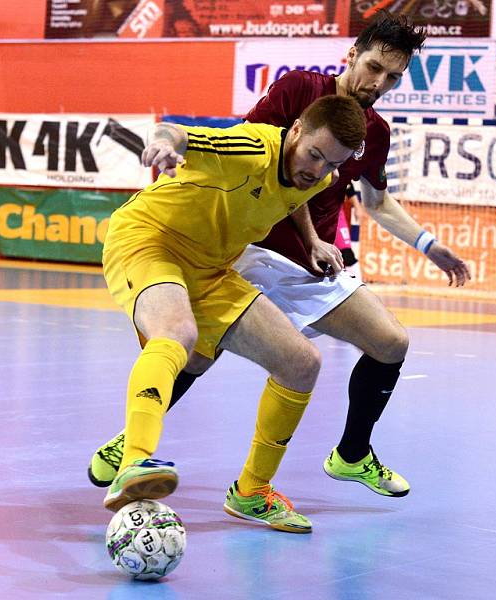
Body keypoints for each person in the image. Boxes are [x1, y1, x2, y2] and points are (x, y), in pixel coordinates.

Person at [89, 10, 470, 500]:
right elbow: (265, 165)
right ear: (353, 55)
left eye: (393, 78)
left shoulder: (373, 133)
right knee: (192, 352)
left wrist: (426, 245)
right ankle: (133, 447)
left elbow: (369, 198)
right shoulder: (298, 92)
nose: (379, 83)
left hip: (307, 265)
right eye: (374, 67)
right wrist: (167, 141)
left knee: (387, 343)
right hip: (244, 249)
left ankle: (344, 458)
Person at [97, 94, 367, 535]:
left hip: (212, 267)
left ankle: (252, 493)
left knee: (302, 363)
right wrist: (164, 143)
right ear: (296, 130)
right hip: (150, 240)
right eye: (314, 154)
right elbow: (181, 135)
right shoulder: (250, 148)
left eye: (328, 163)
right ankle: (133, 462)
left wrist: (313, 239)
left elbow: (289, 193)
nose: (317, 170)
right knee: (178, 334)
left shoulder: (319, 176)